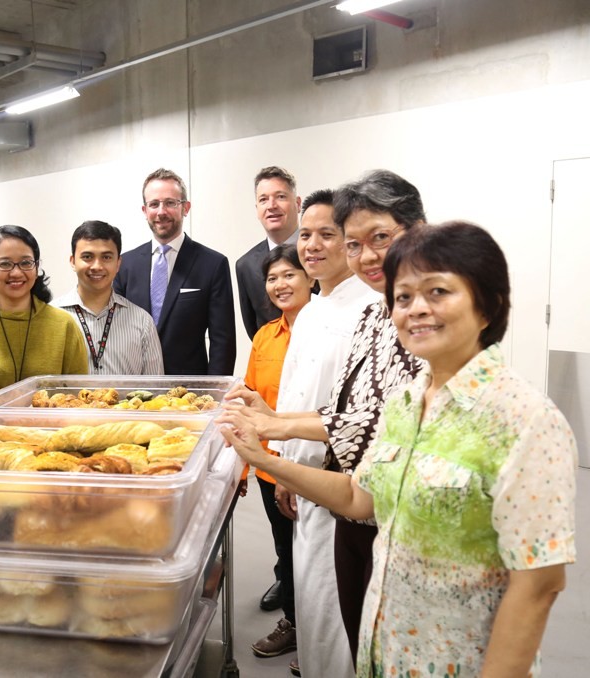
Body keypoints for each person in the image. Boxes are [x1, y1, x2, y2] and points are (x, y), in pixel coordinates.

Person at [220, 221, 577, 677]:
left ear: (488, 303)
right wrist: (265, 459)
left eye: (438, 292)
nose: (416, 309)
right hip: (386, 655)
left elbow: (539, 585)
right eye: (403, 297)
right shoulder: (407, 403)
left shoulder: (523, 420)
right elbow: (357, 497)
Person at [228, 170, 426, 665]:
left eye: (379, 238)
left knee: (362, 634)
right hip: (346, 497)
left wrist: (280, 434)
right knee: (329, 611)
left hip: (397, 517)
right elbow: (353, 414)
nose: (368, 255)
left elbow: (379, 425)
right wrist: (278, 437)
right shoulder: (373, 314)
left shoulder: (414, 317)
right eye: (357, 243)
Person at [263, 189, 380, 678]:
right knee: (312, 607)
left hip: (342, 491)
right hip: (303, 482)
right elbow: (291, 395)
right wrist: (285, 470)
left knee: (339, 617)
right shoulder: (311, 310)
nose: (312, 245)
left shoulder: (370, 311)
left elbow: (355, 415)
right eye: (305, 234)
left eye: (327, 235)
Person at [240, 244, 314, 660]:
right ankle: (295, 623)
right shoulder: (265, 337)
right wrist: (245, 467)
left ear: (311, 279)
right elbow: (252, 401)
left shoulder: (326, 332)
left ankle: (321, 632)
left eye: (290, 275)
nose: (280, 284)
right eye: (273, 278)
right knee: (285, 549)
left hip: (312, 467)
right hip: (271, 469)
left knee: (317, 556)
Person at [114, 168, 236, 375]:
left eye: (170, 203)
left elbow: (222, 341)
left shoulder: (212, 264)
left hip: (189, 392)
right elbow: (115, 332)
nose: (161, 211)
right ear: (145, 211)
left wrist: (216, 392)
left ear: (185, 208)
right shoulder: (125, 264)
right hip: (134, 389)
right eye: (154, 204)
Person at [0, 225, 88, 390]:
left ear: (37, 267)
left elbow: (78, 394)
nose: (16, 273)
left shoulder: (64, 324)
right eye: (5, 264)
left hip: (51, 416)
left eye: (25, 263)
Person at [52, 220, 164, 375]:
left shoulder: (142, 321)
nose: (97, 266)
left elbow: (156, 391)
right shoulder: (51, 316)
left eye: (106, 257)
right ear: (73, 262)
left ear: (118, 263)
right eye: (87, 256)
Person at [236, 166, 302, 340]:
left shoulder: (320, 252)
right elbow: (254, 330)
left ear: (298, 204)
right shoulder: (245, 266)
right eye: (264, 200)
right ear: (257, 209)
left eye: (280, 197)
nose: (272, 206)